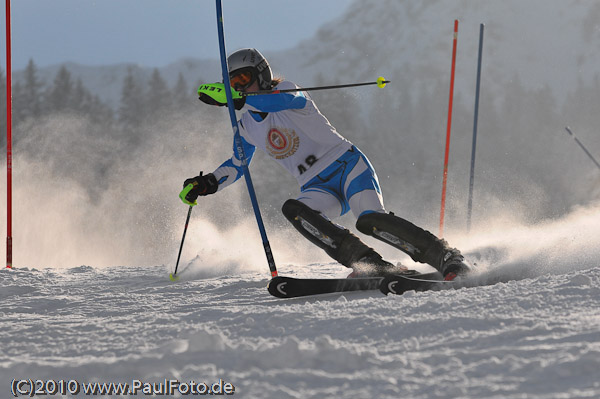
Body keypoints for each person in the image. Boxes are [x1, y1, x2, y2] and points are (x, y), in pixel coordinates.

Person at [181, 48, 470, 280]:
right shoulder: (245, 127)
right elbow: (237, 165)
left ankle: (444, 255)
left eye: (243, 80)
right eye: (232, 84)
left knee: (369, 221)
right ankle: (369, 263)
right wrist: (206, 183)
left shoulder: (288, 93)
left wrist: (239, 97)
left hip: (348, 168)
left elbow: (276, 103)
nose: (239, 88)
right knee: (294, 210)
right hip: (318, 187)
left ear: (262, 75)